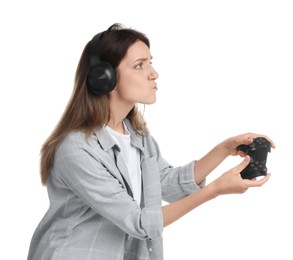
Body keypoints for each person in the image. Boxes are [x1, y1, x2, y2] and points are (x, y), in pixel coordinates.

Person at [27, 23, 275, 260]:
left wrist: (224, 149)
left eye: (150, 63)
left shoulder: (139, 139)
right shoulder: (77, 149)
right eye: (139, 65)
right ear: (104, 78)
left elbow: (169, 184)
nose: (153, 74)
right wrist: (215, 190)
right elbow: (139, 222)